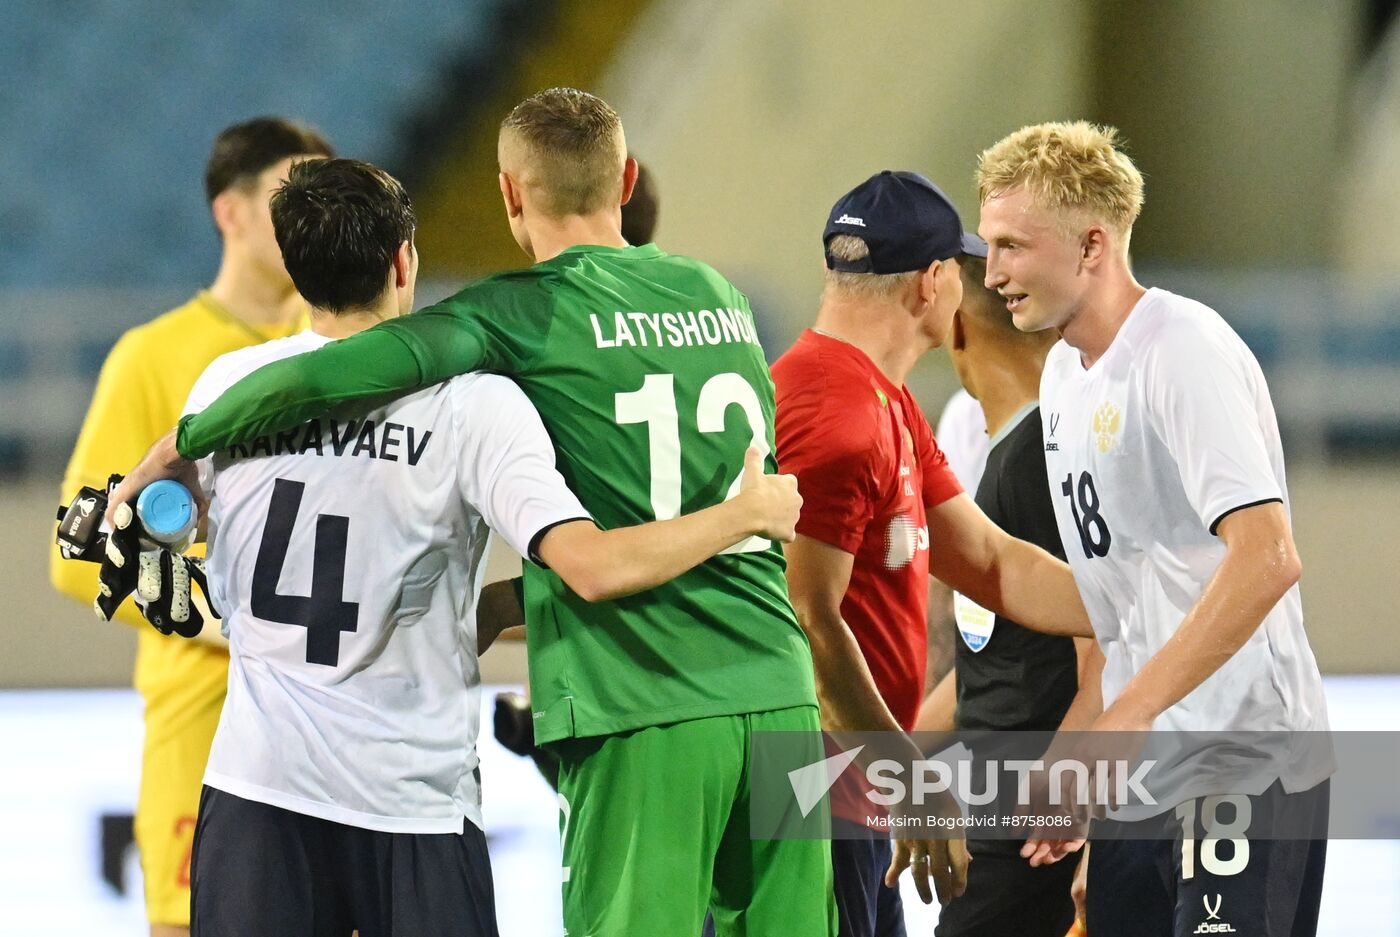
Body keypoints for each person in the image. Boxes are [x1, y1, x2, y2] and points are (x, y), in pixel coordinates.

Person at [109, 87, 837, 937]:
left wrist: (180, 442)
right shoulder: (716, 292)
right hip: (780, 693)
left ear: (508, 194)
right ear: (628, 179)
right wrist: (746, 513)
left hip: (642, 702)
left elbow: (332, 374)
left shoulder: (498, 327)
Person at [977, 121, 1331, 937]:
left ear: (1092, 244)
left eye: (1012, 246)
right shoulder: (1066, 371)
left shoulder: (1184, 351)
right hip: (1142, 774)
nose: (992, 273)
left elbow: (1268, 558)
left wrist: (1125, 715)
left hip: (1242, 757)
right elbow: (1122, 599)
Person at [771, 170, 1094, 937]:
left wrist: (1136, 607)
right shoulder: (838, 411)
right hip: (808, 809)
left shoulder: (883, 401)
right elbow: (808, 621)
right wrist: (911, 779)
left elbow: (991, 561)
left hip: (853, 798)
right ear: (934, 282)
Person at [49, 117, 331, 936]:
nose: (309, 220)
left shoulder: (345, 353)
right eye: (290, 199)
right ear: (230, 213)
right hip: (204, 729)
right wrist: (243, 621)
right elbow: (77, 558)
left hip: (331, 729)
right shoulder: (152, 356)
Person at [913, 254, 1088, 936]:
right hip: (1001, 818)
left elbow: (1103, 642)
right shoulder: (1007, 461)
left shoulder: (1041, 462)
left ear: (957, 329)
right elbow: (993, 664)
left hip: (1031, 827)